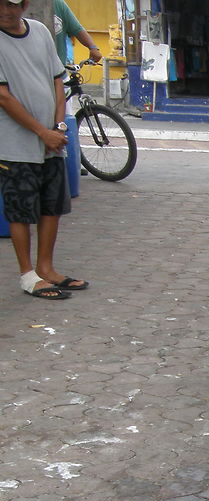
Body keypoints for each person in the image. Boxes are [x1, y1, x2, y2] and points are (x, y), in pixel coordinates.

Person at [0, 0, 85, 300]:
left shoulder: (39, 31)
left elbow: (56, 81)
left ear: (24, 5)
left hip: (52, 140)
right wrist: (42, 132)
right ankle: (27, 275)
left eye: (11, 5)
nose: (5, 11)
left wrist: (58, 127)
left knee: (52, 206)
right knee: (20, 211)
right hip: (15, 144)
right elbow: (4, 97)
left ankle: (46, 268)